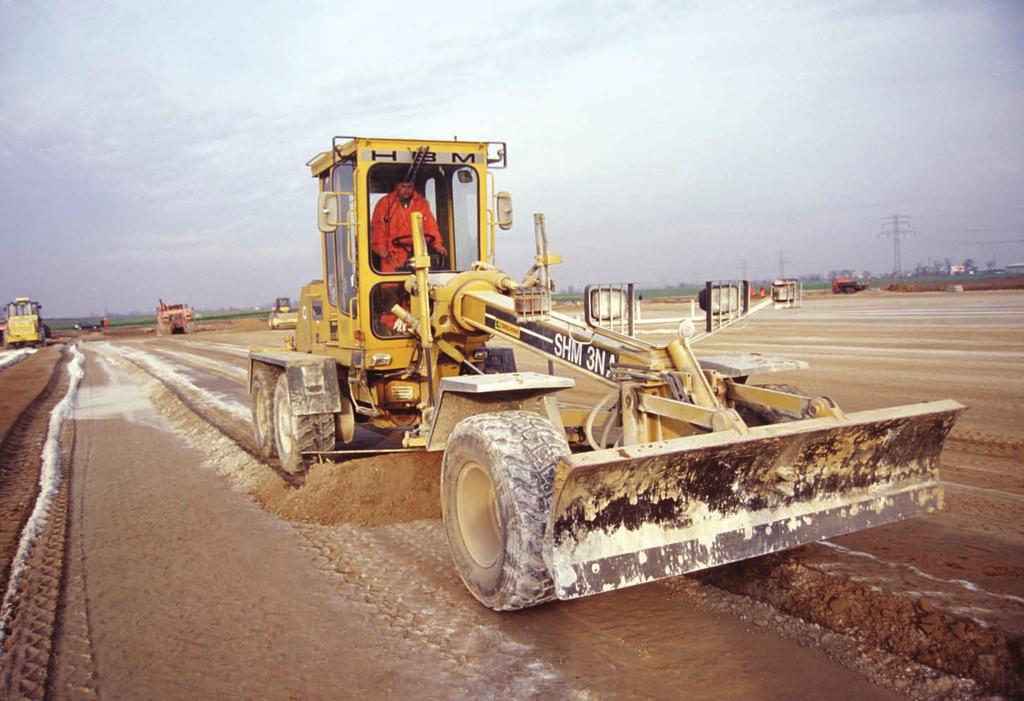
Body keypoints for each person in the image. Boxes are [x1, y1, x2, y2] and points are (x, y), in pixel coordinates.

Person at [370, 180, 447, 272]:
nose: (407, 190)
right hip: (391, 256)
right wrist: (380, 246)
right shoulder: (384, 203)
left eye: (410, 186)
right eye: (403, 186)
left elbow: (431, 227)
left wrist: (437, 245)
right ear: (396, 185)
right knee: (389, 284)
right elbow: (378, 227)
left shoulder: (422, 204)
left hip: (417, 255)